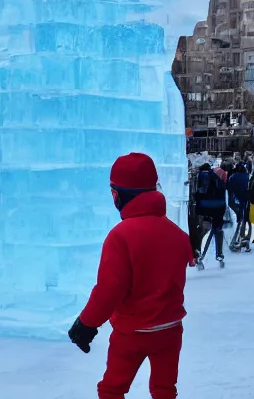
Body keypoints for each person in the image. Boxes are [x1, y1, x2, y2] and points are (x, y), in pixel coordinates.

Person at [67, 152, 193, 399]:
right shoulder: (177, 234)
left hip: (133, 332)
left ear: (116, 195)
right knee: (164, 390)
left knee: (112, 389)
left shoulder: (121, 236)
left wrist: (86, 324)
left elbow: (109, 290)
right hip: (170, 330)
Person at [192, 163, 227, 266]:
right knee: (218, 229)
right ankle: (219, 253)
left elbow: (197, 193)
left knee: (203, 229)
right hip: (219, 206)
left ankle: (199, 252)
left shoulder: (199, 176)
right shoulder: (217, 175)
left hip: (204, 207)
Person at [225, 163, 251, 252]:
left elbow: (228, 188)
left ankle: (236, 239)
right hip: (246, 200)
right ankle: (243, 238)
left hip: (235, 201)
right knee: (244, 219)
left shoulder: (232, 177)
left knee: (238, 220)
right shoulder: (248, 176)